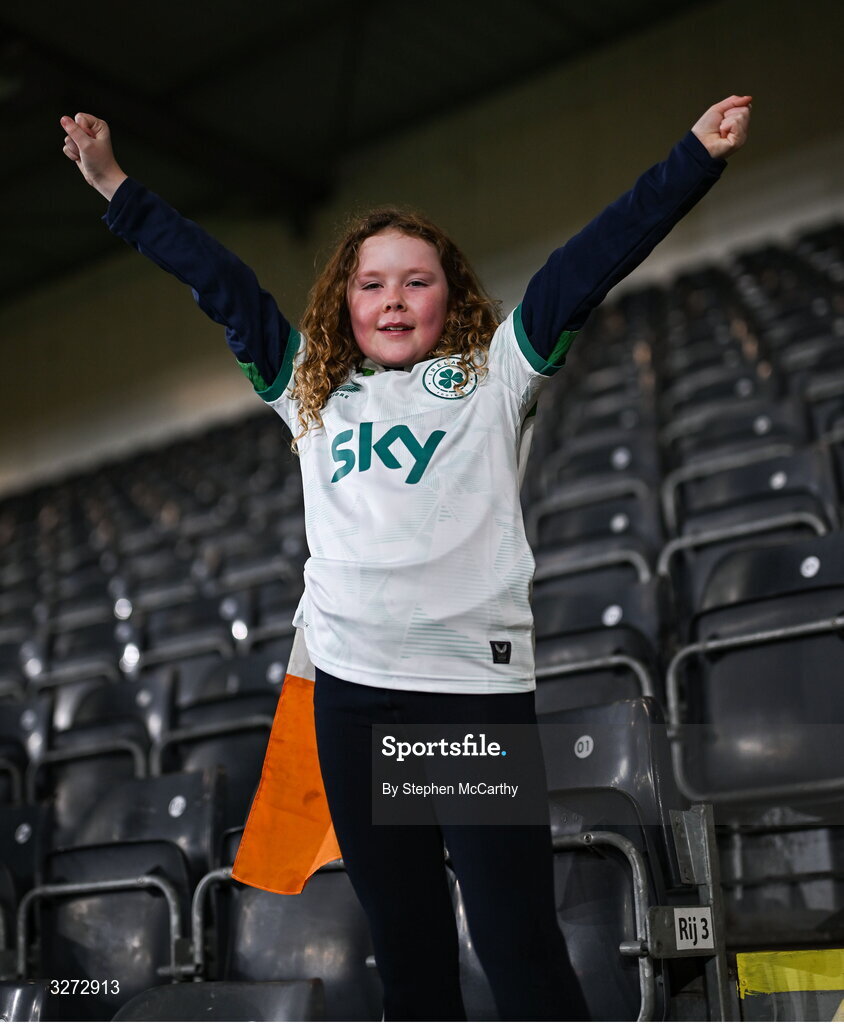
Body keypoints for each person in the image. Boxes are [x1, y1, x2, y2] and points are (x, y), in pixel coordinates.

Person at [60, 94, 751, 1022]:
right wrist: (114, 186)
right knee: (410, 957)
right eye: (372, 283)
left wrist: (694, 159)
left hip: (467, 697)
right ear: (344, 304)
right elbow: (221, 283)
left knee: (515, 943)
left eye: (416, 281)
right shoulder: (310, 392)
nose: (393, 298)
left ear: (452, 296)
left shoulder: (499, 374)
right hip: (353, 703)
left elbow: (590, 260)